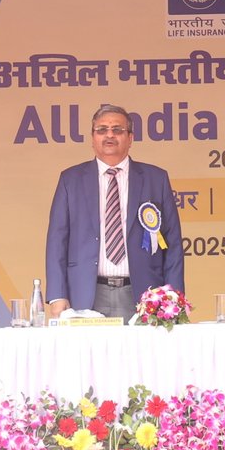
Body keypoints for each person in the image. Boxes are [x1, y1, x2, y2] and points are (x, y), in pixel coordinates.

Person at [45, 104, 185, 321]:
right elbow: (57, 242)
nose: (109, 135)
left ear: (130, 138)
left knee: (143, 356)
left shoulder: (156, 179)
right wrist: (57, 295)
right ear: (92, 138)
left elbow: (173, 244)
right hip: (86, 295)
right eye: (102, 130)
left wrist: (173, 297)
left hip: (144, 294)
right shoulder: (70, 180)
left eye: (117, 130)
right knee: (86, 356)